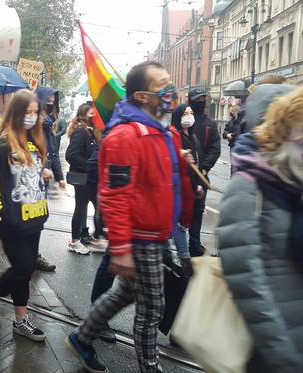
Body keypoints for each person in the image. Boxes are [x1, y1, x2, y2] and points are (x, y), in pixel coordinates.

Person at [66, 61, 193, 373]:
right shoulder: (125, 136)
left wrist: (177, 158)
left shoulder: (158, 130)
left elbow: (154, 179)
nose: (169, 89)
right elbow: (115, 196)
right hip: (141, 236)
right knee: (152, 308)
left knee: (123, 293)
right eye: (161, 84)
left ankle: (82, 338)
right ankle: (150, 367)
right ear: (141, 96)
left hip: (155, 233)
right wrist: (121, 248)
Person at [216, 86, 303, 372]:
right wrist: (280, 352)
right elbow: (245, 279)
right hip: (279, 348)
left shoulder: (296, 182)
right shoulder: (251, 185)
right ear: (286, 127)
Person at [0, 89, 49, 342]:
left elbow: (35, 174)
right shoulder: (2, 144)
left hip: (35, 216)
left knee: (25, 270)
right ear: (16, 113)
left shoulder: (35, 141)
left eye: (35, 112)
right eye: (27, 112)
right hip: (13, 221)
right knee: (22, 268)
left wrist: (45, 174)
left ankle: (21, 320)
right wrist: (1, 214)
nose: (31, 117)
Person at [65, 103, 106, 255]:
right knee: (81, 208)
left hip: (92, 178)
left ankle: (96, 237)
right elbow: (71, 155)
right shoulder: (80, 132)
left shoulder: (91, 132)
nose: (94, 116)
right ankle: (75, 241)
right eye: (91, 113)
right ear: (84, 115)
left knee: (99, 207)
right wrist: (89, 166)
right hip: (83, 178)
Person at [32, 86, 64, 272]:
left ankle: (33, 254)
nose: (51, 103)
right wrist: (41, 169)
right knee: (33, 217)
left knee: (40, 218)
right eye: (48, 100)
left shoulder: (49, 126)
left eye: (54, 101)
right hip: (31, 181)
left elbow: (53, 154)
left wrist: (60, 177)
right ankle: (30, 255)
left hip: (43, 181)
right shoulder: (32, 126)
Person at [187, 87, 220, 257]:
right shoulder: (184, 120)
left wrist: (205, 168)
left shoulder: (210, 124)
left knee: (198, 209)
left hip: (202, 174)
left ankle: (194, 243)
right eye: (197, 99)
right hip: (184, 174)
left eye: (203, 99)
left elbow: (215, 148)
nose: (201, 102)